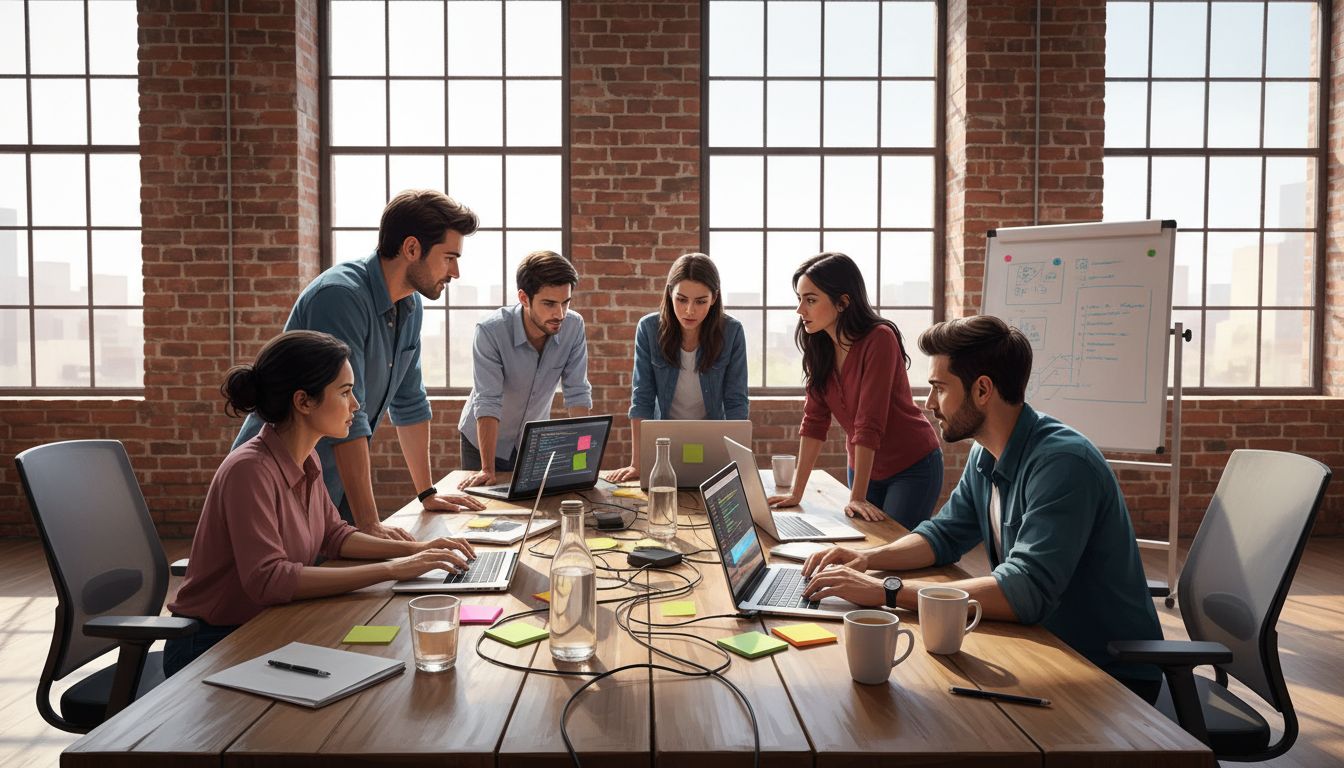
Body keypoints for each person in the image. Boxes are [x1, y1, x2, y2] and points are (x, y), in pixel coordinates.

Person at [800, 315, 1163, 698]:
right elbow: (942, 536)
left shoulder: (1063, 464)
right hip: (1044, 646)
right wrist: (868, 561)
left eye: (939, 388)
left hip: (1107, 676)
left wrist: (887, 591)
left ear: (983, 390)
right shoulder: (985, 454)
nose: (928, 404)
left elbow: (1026, 588)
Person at [165, 331, 476, 676]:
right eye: (344, 392)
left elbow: (335, 536)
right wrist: (393, 569)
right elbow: (268, 579)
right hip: (212, 645)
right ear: (304, 402)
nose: (356, 405)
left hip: (268, 625)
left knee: (383, 654)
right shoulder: (249, 470)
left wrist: (417, 551)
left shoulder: (306, 456)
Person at [233, 190, 485, 542]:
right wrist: (368, 522)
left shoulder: (410, 305)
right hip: (280, 481)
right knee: (288, 588)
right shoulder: (340, 297)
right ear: (412, 248)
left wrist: (427, 493)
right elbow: (349, 411)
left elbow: (410, 403)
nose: (455, 271)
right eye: (449, 257)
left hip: (336, 487)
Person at [765, 253, 943, 529]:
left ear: (843, 302)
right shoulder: (819, 345)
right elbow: (814, 422)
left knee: (893, 548)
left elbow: (868, 421)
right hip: (862, 466)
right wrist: (795, 493)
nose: (800, 310)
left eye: (810, 300)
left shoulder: (879, 339)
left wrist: (857, 497)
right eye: (799, 299)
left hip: (912, 466)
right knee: (864, 544)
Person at [605, 253, 748, 483]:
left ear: (714, 298)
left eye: (700, 301)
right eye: (681, 299)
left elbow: (736, 403)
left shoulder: (732, 332)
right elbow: (642, 398)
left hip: (713, 446)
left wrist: (736, 464)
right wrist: (638, 463)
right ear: (670, 292)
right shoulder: (649, 329)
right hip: (663, 446)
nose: (689, 310)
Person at [457, 250, 593, 489]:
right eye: (549, 304)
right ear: (524, 298)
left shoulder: (573, 326)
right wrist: (487, 469)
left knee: (534, 509)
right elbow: (488, 401)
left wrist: (583, 462)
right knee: (486, 510)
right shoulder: (491, 332)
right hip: (484, 441)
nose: (559, 314)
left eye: (566, 302)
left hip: (532, 443)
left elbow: (577, 392)